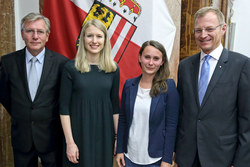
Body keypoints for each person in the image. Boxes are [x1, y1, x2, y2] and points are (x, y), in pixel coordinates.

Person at [175, 6, 250, 167]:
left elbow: (246, 120)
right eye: (198, 30)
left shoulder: (242, 65)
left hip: (222, 158)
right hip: (187, 157)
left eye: (209, 29)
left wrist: (240, 162)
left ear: (223, 29)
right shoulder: (185, 66)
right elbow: (181, 112)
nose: (203, 35)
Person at [0, 13, 68, 167]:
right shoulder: (8, 62)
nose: (35, 36)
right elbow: (4, 95)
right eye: (30, 31)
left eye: (40, 32)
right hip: (22, 137)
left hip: (51, 138)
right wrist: (22, 112)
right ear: (22, 34)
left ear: (47, 36)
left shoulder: (62, 64)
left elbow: (63, 99)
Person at [59, 19, 120, 167]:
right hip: (78, 134)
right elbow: (64, 109)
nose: (94, 41)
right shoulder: (70, 68)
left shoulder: (113, 69)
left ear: (105, 40)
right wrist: (70, 142)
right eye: (89, 36)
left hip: (105, 135)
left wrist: (118, 139)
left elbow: (115, 107)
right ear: (82, 39)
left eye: (99, 36)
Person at [116, 40, 179, 167]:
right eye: (147, 57)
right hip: (129, 157)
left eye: (156, 59)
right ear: (140, 58)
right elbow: (123, 119)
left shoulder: (169, 87)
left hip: (155, 159)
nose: (151, 62)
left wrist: (167, 159)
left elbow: (171, 126)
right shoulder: (129, 85)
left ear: (162, 62)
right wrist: (119, 150)